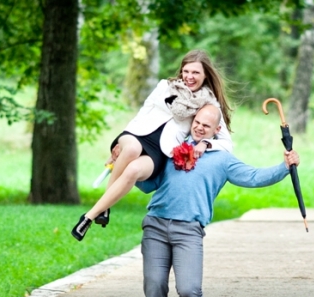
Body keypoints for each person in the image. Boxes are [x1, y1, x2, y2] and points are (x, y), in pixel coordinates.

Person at [134, 104, 300, 297]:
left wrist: (284, 166)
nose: (199, 127)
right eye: (196, 122)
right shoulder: (172, 146)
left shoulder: (222, 159)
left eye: (206, 125)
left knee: (189, 291)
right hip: (155, 225)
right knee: (154, 289)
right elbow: (148, 184)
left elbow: (254, 177)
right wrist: (129, 166)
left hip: (189, 231)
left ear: (217, 130)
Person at [71, 50, 234, 242]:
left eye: (195, 73)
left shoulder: (209, 103)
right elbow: (142, 113)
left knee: (132, 170)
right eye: (186, 71)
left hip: (160, 150)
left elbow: (226, 142)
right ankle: (101, 209)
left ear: (206, 74)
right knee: (131, 150)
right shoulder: (165, 86)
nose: (189, 77)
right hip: (136, 135)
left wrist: (205, 143)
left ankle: (89, 217)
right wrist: (119, 148)